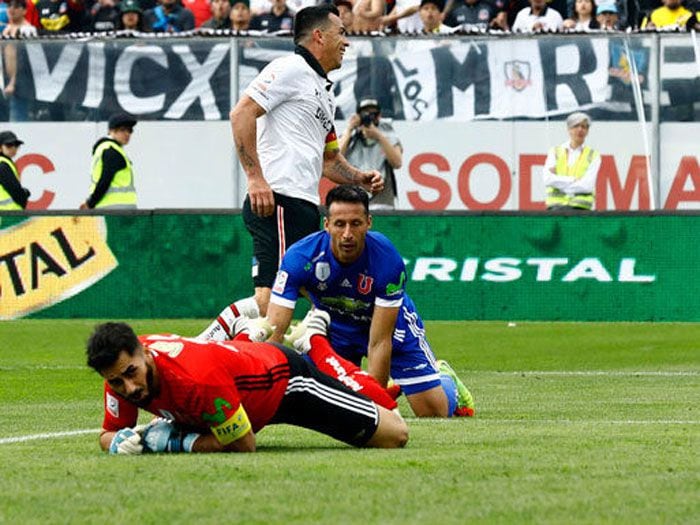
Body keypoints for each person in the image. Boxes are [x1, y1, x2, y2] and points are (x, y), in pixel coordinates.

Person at [265, 184, 476, 419]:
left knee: (433, 413)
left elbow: (379, 342)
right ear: (327, 225)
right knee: (311, 399)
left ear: (369, 223)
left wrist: (373, 406)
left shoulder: (387, 261)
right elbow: (274, 328)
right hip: (336, 332)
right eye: (339, 224)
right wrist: (263, 389)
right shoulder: (300, 257)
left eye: (355, 224)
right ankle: (393, 389)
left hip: (392, 327)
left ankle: (445, 378)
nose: (347, 234)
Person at [229, 4, 383, 316]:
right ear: (318, 36)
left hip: (301, 203)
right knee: (272, 300)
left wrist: (358, 177)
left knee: (300, 294)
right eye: (341, 32)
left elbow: (329, 160)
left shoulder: (324, 91)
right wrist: (255, 178)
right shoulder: (291, 68)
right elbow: (242, 112)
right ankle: (206, 349)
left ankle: (215, 348)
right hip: (279, 198)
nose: (347, 41)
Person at [86, 321, 408, 454]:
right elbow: (107, 433)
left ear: (146, 354)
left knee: (394, 433)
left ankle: (315, 340)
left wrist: (175, 442)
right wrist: (117, 442)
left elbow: (243, 442)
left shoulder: (196, 379)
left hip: (286, 382)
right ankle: (246, 335)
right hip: (238, 381)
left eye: (132, 373)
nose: (128, 388)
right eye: (116, 381)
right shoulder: (118, 373)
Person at [338, 98, 402, 210]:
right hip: (352, 199)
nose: (369, 117)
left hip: (381, 200)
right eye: (365, 113)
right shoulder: (350, 134)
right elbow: (336, 158)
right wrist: (349, 129)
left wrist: (379, 136)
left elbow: (397, 162)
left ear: (379, 116)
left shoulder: (387, 131)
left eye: (373, 114)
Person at [542, 112, 600, 211]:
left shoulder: (593, 155)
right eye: (576, 126)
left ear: (587, 131)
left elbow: (587, 186)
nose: (580, 129)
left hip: (580, 210)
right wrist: (573, 180)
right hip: (556, 209)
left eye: (584, 127)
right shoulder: (555, 152)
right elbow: (547, 179)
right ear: (569, 129)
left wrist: (559, 182)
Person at [80, 114, 137, 210]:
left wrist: (90, 202)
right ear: (111, 131)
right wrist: (90, 203)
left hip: (114, 208)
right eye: (122, 130)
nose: (127, 134)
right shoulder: (111, 150)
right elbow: (105, 180)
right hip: (115, 210)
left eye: (130, 130)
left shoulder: (108, 148)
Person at [0, 130, 30, 210]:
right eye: (9, 145)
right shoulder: (3, 165)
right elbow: (15, 191)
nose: (13, 148)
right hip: (7, 215)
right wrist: (25, 193)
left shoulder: (5, 162)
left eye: (16, 145)